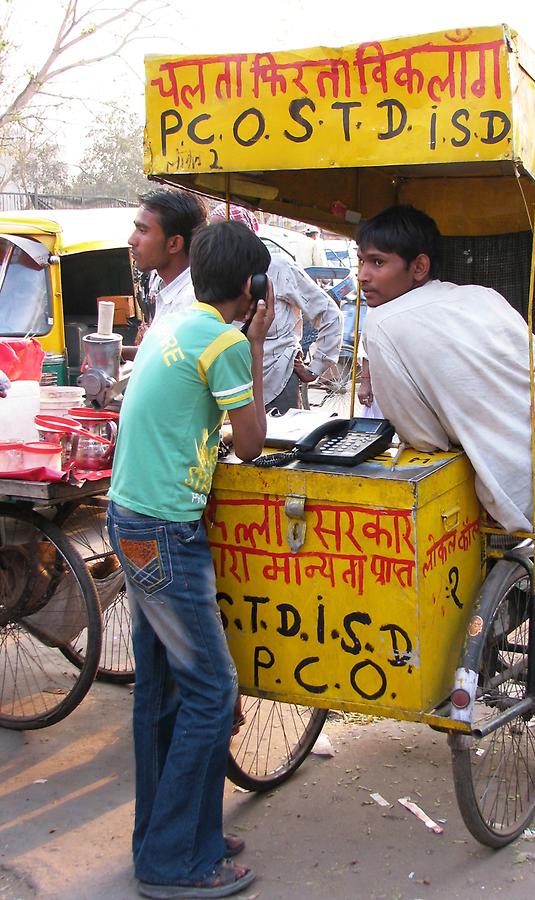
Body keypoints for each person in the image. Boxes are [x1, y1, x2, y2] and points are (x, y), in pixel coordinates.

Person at [107, 219, 275, 898]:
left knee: (165, 690)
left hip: (128, 520)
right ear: (251, 285)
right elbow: (252, 444)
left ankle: (175, 833)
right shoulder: (222, 342)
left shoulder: (171, 326)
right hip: (164, 532)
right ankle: (172, 862)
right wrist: (256, 347)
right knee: (211, 691)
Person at [356, 205, 535, 534]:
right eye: (361, 260)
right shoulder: (484, 296)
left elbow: (423, 437)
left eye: (377, 262)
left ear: (419, 266)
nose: (363, 274)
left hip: (505, 496)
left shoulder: (381, 324)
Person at [209, 203, 343, 413]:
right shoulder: (213, 276)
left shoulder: (279, 267)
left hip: (277, 378)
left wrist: (317, 367)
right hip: (230, 381)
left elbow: (329, 314)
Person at [122, 188, 208, 360]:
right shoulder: (165, 288)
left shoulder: (190, 303)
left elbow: (174, 366)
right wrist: (118, 352)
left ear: (174, 244)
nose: (132, 240)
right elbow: (161, 354)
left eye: (143, 230)